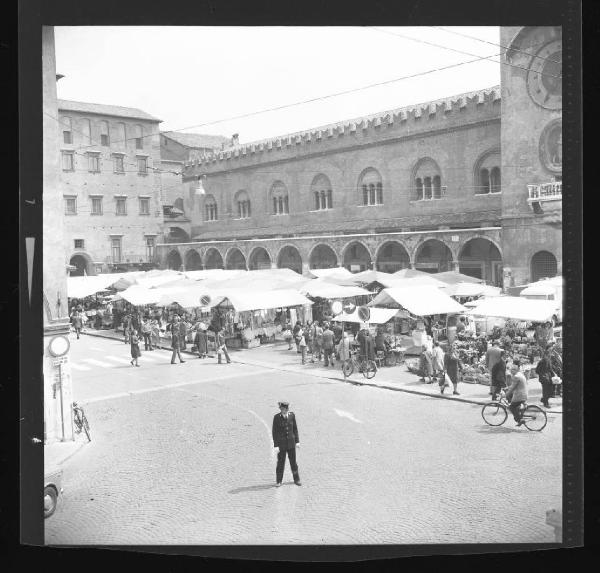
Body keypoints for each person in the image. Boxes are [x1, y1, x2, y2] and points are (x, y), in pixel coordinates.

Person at [272, 401, 301, 487]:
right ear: (280, 409)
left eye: (284, 409)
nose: (283, 411)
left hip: (291, 444)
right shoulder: (276, 417)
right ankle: (279, 481)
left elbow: (295, 429)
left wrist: (297, 441)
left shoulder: (292, 415)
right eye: (282, 409)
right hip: (281, 445)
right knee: (281, 463)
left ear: (287, 409)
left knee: (293, 463)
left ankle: (297, 479)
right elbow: (275, 432)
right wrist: (276, 445)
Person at [505, 360, 528, 426]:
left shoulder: (516, 376)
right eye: (511, 369)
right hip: (524, 393)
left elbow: (513, 388)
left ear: (517, 370)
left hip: (520, 395)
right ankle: (520, 412)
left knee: (511, 407)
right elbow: (514, 385)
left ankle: (519, 420)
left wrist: (506, 394)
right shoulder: (520, 374)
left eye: (513, 370)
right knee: (515, 405)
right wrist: (507, 388)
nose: (512, 371)